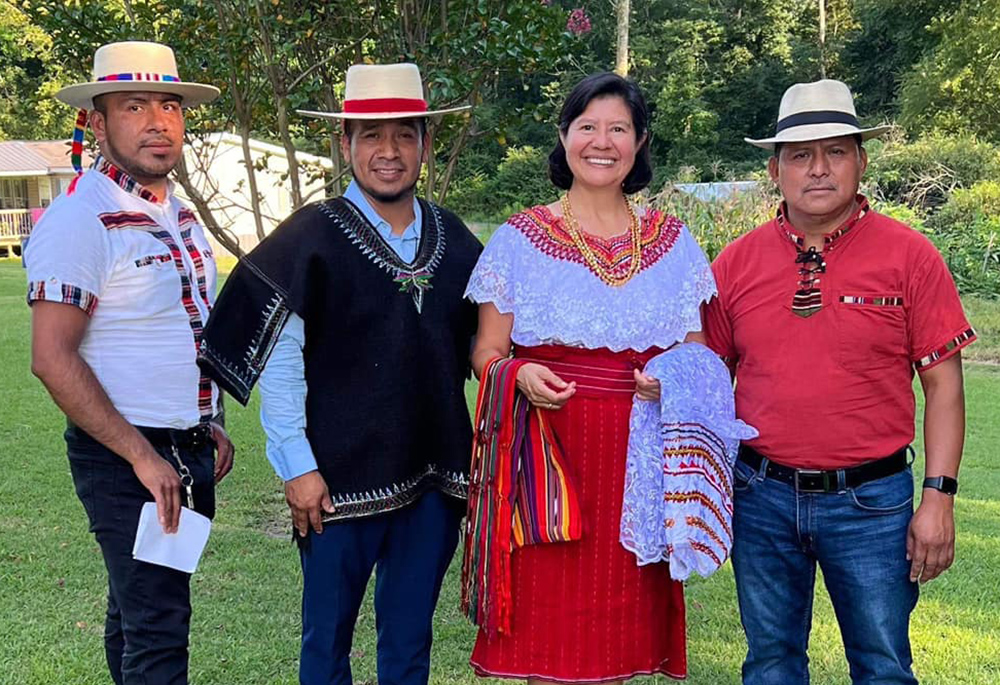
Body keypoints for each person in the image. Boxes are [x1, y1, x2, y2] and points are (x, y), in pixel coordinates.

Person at [197, 63, 481, 685]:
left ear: (426, 146)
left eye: (405, 135)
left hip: (434, 480)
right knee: (326, 646)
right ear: (345, 144)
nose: (389, 152)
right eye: (371, 136)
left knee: (409, 646)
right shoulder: (312, 236)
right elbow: (279, 361)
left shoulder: (454, 239)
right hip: (334, 485)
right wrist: (296, 466)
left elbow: (489, 345)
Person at [704, 79, 975, 685]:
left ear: (862, 161)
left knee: (882, 665)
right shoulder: (736, 262)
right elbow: (706, 376)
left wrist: (939, 497)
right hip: (760, 494)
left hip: (872, 502)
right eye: (800, 155)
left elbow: (945, 388)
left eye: (837, 152)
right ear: (775, 169)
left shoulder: (911, 256)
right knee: (771, 662)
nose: (819, 169)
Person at [464, 71, 716, 684]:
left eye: (619, 129)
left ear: (640, 142)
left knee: (621, 629)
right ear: (564, 136)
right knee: (550, 633)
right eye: (588, 127)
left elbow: (698, 351)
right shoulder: (519, 240)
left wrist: (672, 378)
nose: (602, 142)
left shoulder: (674, 241)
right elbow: (486, 351)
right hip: (548, 452)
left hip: (639, 457)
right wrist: (518, 372)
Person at [25, 41, 234, 685]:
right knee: (159, 632)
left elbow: (178, 332)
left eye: (168, 105)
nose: (156, 121)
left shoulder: (176, 214)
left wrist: (209, 419)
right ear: (96, 121)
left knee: (135, 616)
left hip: (184, 447)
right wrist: (143, 457)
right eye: (134, 106)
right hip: (127, 456)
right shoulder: (80, 218)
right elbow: (51, 359)